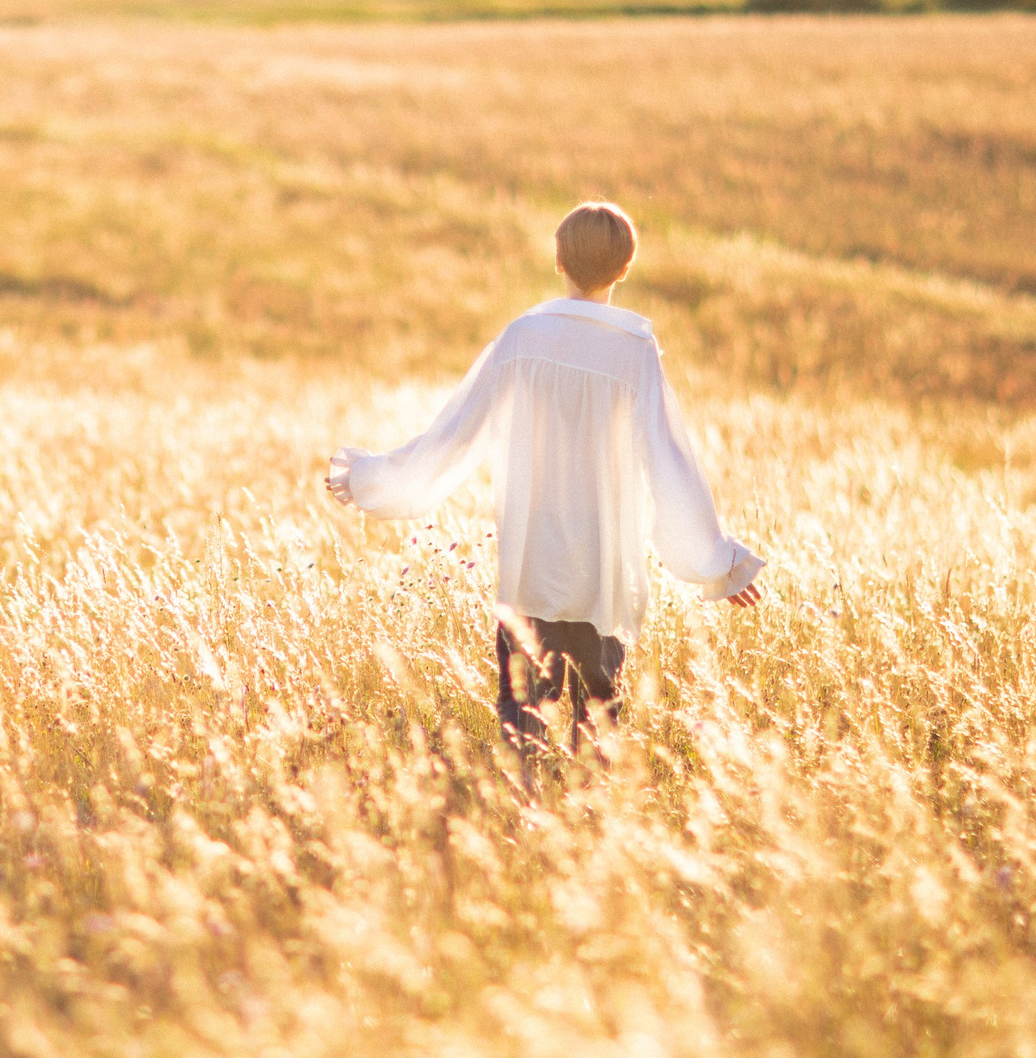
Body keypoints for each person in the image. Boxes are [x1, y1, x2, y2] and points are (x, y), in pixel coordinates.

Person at [324, 201, 764, 776]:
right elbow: (671, 462)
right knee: (597, 723)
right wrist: (716, 561)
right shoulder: (635, 353)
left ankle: (521, 828)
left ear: (558, 260)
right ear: (626, 268)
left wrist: (372, 479)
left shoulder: (523, 339)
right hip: (603, 575)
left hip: (533, 566)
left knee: (522, 720)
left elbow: (455, 435)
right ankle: (580, 835)